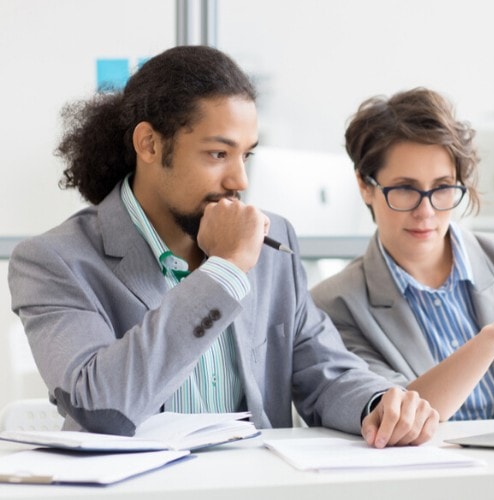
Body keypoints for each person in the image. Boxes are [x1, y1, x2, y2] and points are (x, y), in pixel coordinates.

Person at [7, 46, 438, 448]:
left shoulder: (272, 239)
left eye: (245, 155)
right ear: (149, 144)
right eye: (217, 154)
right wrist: (225, 271)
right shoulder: (53, 261)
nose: (240, 181)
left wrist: (377, 403)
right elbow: (100, 407)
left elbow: (323, 370)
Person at [311, 88, 494, 422]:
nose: (425, 211)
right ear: (365, 186)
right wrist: (489, 342)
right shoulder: (335, 305)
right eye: (405, 189)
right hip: (435, 471)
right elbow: (399, 419)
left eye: (442, 188)